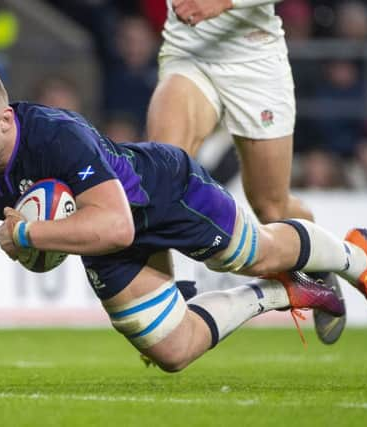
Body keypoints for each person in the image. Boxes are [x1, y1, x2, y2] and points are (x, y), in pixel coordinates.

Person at [0, 64, 367, 373]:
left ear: (5, 119)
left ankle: (359, 257)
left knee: (256, 252)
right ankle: (289, 293)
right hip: (101, 233)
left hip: (162, 193)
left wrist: (28, 231)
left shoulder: (56, 135)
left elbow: (118, 226)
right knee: (171, 353)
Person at [145, 0, 345, 343]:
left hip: (253, 58)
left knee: (271, 206)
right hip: (189, 52)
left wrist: (221, 2)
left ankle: (322, 262)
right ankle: (165, 311)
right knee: (161, 177)